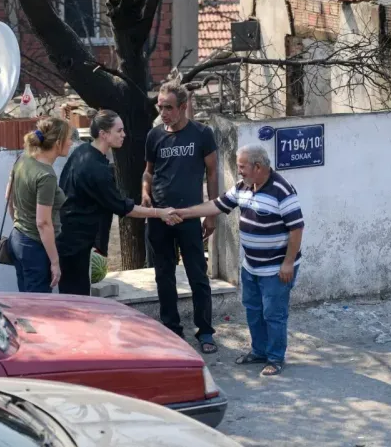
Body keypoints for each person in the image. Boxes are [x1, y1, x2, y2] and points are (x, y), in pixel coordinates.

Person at [171, 143, 304, 376]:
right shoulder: (243, 186)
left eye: (242, 166)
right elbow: (217, 205)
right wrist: (184, 213)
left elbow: (296, 229)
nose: (239, 170)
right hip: (251, 265)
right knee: (253, 309)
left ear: (258, 166)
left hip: (275, 268)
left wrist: (288, 263)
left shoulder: (282, 190)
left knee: (274, 314)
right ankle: (259, 351)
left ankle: (275, 358)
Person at [57, 110, 180, 295]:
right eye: (119, 131)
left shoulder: (83, 151)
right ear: (103, 134)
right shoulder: (96, 168)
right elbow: (123, 207)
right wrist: (160, 213)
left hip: (70, 235)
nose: (124, 135)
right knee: (77, 300)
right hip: (77, 242)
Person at [142, 80, 220, 354]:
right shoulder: (154, 136)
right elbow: (149, 172)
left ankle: (206, 331)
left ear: (184, 107)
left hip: (189, 217)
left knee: (198, 275)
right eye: (160, 107)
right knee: (164, 275)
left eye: (169, 108)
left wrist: (212, 214)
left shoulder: (202, 134)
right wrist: (145, 192)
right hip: (160, 218)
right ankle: (171, 329)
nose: (163, 113)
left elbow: (212, 173)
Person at [6, 117, 72, 293]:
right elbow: (43, 223)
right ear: (58, 143)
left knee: (26, 303)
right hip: (35, 248)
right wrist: (55, 262)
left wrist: (19, 224)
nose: (71, 142)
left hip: (17, 239)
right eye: (70, 138)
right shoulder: (46, 176)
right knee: (38, 310)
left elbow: (8, 197)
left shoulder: (24, 158)